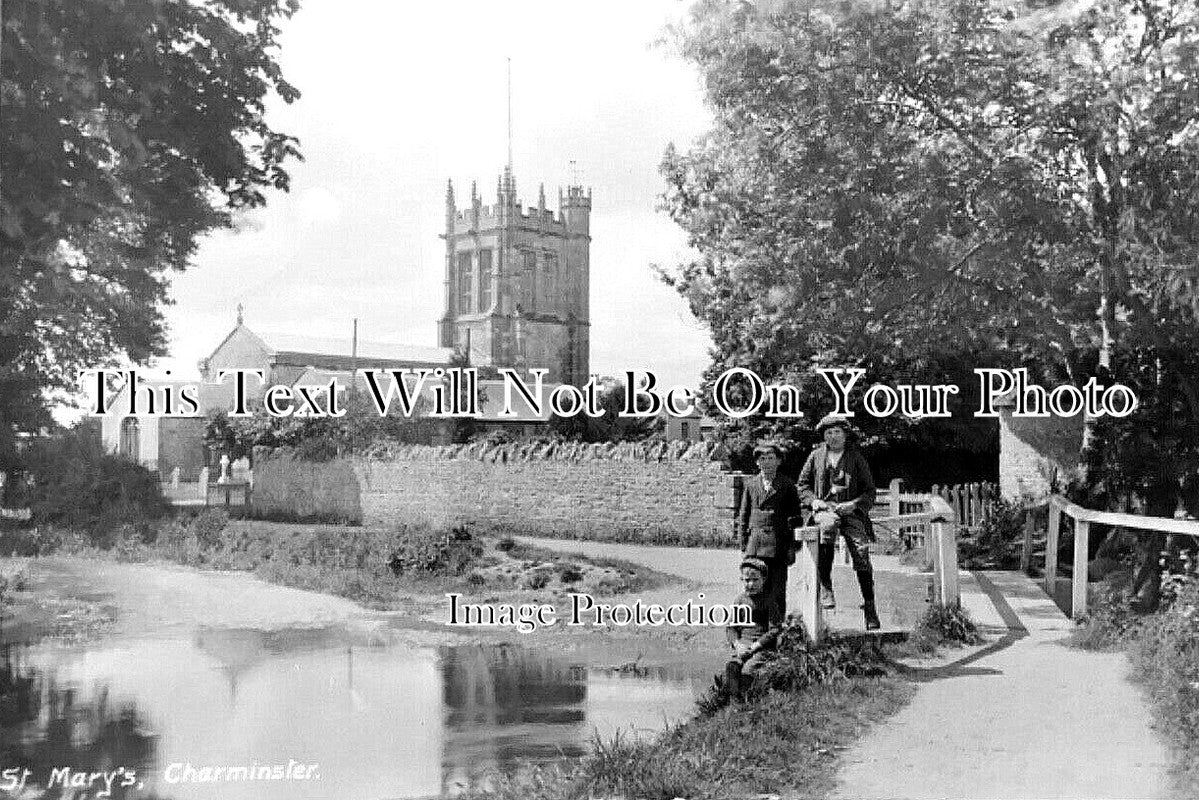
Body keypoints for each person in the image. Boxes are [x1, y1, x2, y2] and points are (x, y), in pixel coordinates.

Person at [798, 414, 880, 630]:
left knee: (861, 552)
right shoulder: (815, 456)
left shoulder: (856, 458)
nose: (832, 437)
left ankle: (870, 606)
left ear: (845, 435)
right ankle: (826, 585)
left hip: (850, 511)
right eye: (828, 433)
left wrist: (854, 504)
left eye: (836, 432)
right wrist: (814, 500)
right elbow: (802, 485)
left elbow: (870, 491)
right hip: (825, 510)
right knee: (827, 526)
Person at [736, 441, 801, 619]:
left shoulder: (787, 485)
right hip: (755, 545)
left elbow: (795, 517)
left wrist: (792, 546)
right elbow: (744, 515)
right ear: (757, 462)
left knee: (777, 588)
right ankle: (754, 626)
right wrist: (743, 545)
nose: (766, 462)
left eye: (771, 458)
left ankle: (776, 629)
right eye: (762, 459)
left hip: (778, 545)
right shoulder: (750, 485)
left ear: (779, 461)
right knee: (754, 586)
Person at [724, 557, 782, 697]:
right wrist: (738, 645)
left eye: (755, 580)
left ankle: (748, 700)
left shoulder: (769, 601)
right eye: (747, 580)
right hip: (743, 646)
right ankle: (734, 701)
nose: (750, 584)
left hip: (761, 647)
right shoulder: (740, 600)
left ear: (763, 580)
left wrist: (756, 645)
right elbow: (731, 627)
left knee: (748, 670)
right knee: (732, 667)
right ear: (741, 580)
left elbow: (775, 629)